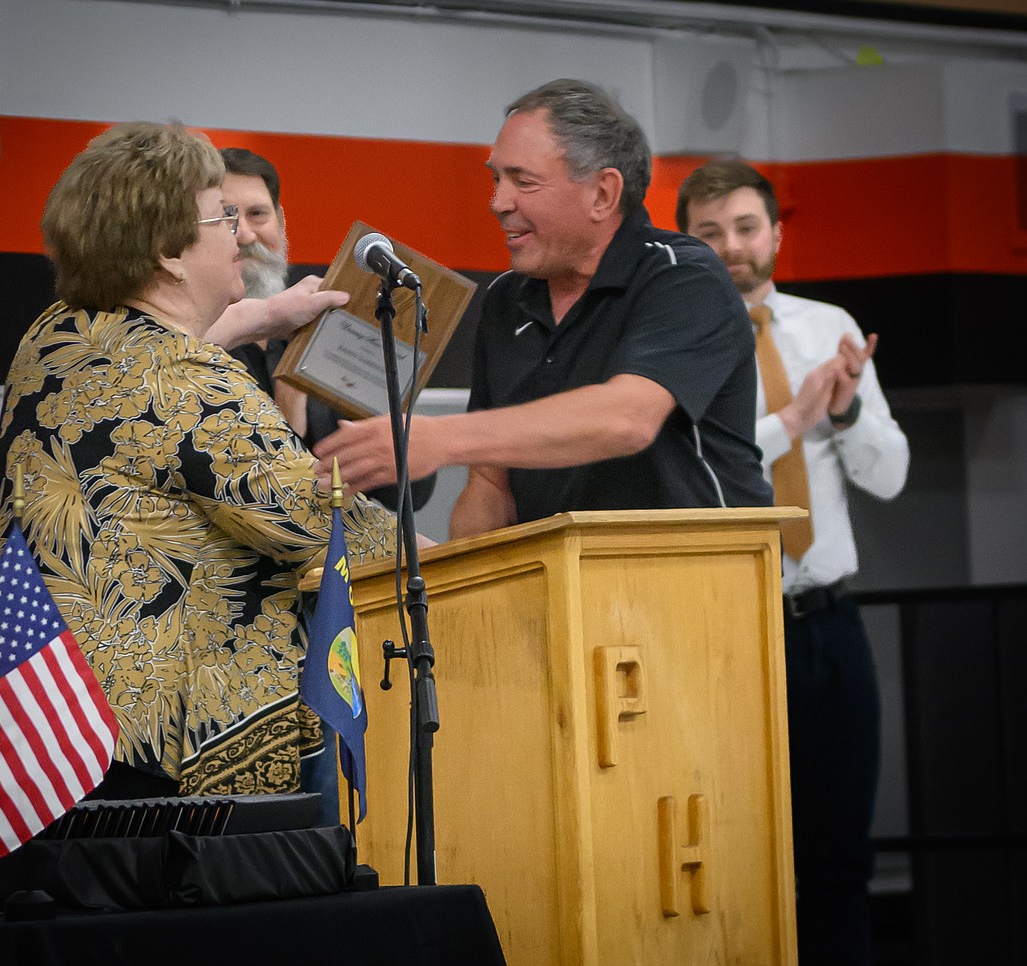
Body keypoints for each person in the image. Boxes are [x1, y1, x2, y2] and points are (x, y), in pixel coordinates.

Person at [0, 122, 401, 808]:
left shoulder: (56, 335)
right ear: (168, 253)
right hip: (133, 765)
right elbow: (326, 528)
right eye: (222, 217)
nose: (242, 235)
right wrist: (455, 549)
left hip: (19, 734)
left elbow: (150, 353)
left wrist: (261, 317)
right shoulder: (191, 385)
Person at [313, 78, 772, 537]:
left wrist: (438, 438)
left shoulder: (683, 275)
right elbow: (491, 484)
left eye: (523, 181)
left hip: (698, 587)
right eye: (497, 178)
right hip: (562, 593)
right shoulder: (506, 298)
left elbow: (627, 419)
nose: (497, 202)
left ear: (603, 194)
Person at [676, 158, 910, 965]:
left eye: (746, 228)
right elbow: (704, 471)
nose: (732, 246)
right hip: (729, 632)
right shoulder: (676, 341)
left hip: (829, 625)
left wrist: (841, 412)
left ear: (776, 233)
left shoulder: (826, 323)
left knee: (842, 857)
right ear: (687, 242)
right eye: (710, 232)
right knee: (734, 854)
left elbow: (890, 475)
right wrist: (791, 417)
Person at [218, 146, 436, 513]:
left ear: (282, 222)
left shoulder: (330, 326)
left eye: (258, 214)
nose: (245, 234)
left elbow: (409, 489)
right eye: (226, 217)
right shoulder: (192, 341)